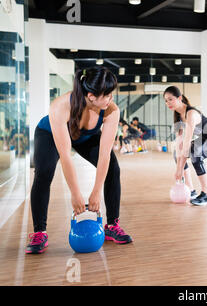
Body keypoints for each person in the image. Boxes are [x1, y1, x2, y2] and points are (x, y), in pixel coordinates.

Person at [27, 66, 133, 254]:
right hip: (49, 134)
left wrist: (95, 192)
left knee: (113, 169)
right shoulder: (61, 106)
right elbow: (66, 155)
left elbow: (104, 154)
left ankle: (112, 225)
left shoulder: (111, 110)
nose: (111, 99)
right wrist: (76, 194)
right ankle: (39, 232)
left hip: (85, 137)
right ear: (91, 96)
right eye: (107, 95)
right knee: (43, 173)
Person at [164, 86, 207, 206]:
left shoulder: (191, 113)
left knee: (195, 153)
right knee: (176, 152)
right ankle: (191, 190)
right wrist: (178, 167)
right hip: (205, 139)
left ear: (179, 98)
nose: (168, 103)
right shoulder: (178, 117)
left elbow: (187, 142)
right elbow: (180, 145)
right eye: (166, 100)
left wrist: (179, 169)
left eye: (170, 99)